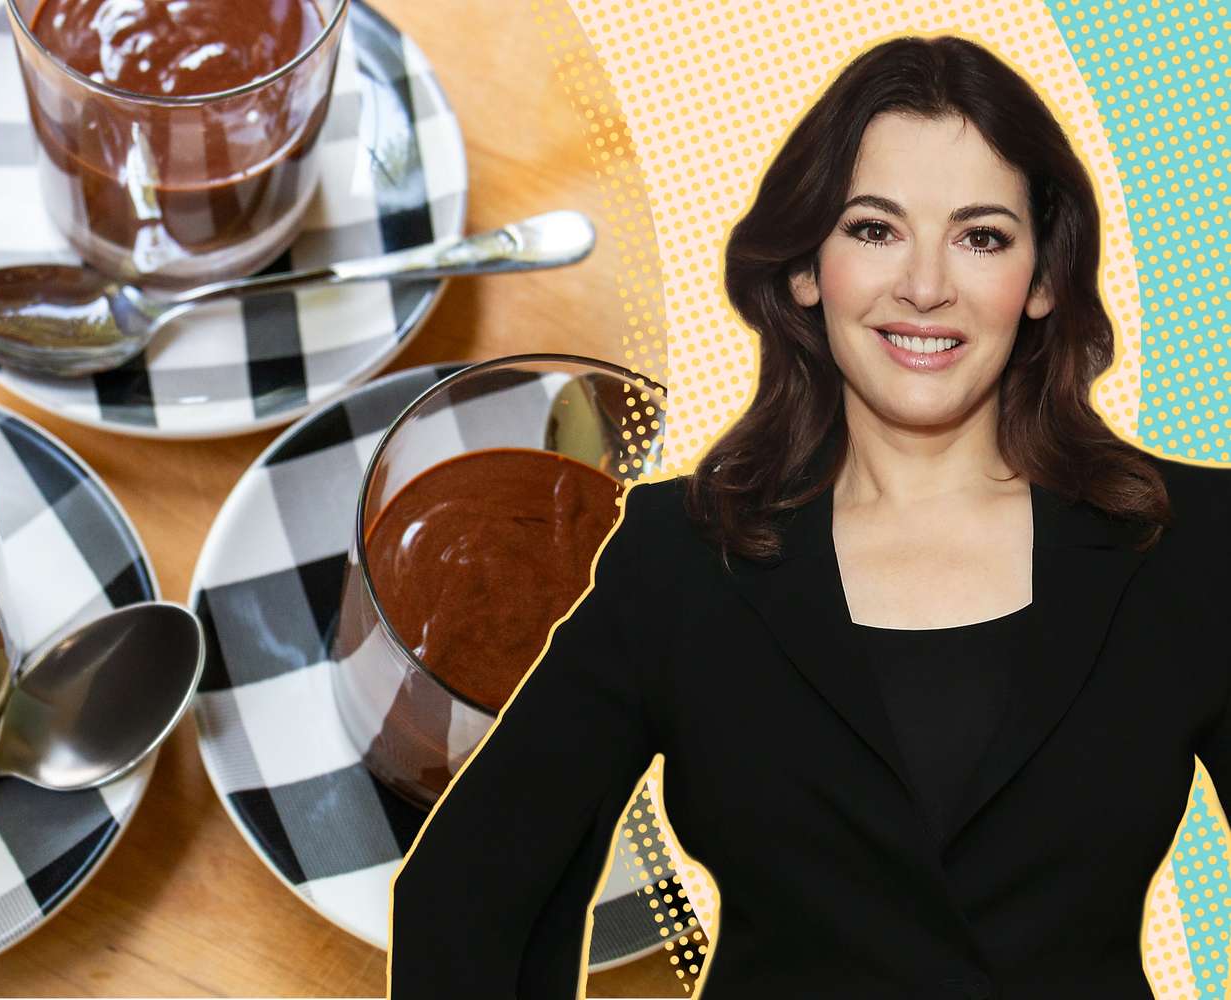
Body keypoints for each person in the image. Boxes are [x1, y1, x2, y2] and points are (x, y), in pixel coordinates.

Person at [387, 34, 1231, 1000]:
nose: (925, 285)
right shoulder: (679, 561)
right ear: (804, 270)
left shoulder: (1196, 544)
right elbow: (464, 893)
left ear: (1042, 279)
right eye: (874, 229)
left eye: (981, 237)